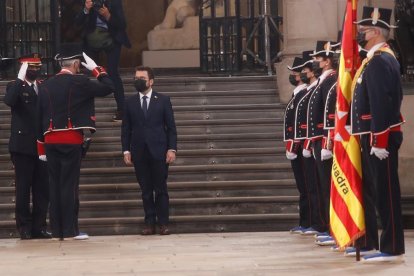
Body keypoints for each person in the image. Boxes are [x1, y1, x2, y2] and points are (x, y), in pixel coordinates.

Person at [36, 43, 115, 240]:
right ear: (76, 64)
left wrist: (40, 147)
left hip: (50, 141)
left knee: (54, 186)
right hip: (71, 139)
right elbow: (108, 87)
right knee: (69, 186)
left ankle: (56, 231)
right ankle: (70, 231)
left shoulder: (45, 85)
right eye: (80, 64)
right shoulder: (80, 82)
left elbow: (38, 117)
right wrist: (96, 69)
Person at [351, 6, 405, 263]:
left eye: (362, 31)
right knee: (376, 191)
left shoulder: (382, 60)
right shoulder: (374, 60)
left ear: (374, 32)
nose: (359, 34)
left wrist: (379, 139)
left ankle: (392, 246)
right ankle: (377, 242)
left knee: (386, 193)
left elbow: (383, 104)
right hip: (370, 137)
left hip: (379, 138)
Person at [121, 66, 177, 235]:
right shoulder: (129, 102)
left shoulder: (163, 100)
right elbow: (125, 129)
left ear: (151, 81)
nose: (138, 80)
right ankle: (149, 223)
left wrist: (171, 149)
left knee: (160, 189)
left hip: (159, 150)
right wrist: (125, 151)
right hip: (139, 152)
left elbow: (171, 128)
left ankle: (164, 223)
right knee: (145, 190)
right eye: (136, 77)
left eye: (142, 78)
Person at [3, 54, 51, 240]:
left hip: (42, 145)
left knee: (42, 189)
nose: (35, 70)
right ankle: (24, 227)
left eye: (37, 67)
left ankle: (39, 226)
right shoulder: (15, 87)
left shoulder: (43, 86)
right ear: (23, 68)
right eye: (30, 67)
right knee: (23, 189)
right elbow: (9, 101)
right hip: (22, 146)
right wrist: (19, 78)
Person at [75, 0, 131, 121]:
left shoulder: (115, 3)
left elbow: (122, 25)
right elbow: (77, 22)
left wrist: (108, 15)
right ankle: (83, 111)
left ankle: (122, 109)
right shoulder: (87, 2)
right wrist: (86, 10)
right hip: (91, 41)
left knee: (113, 73)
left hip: (112, 40)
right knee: (87, 73)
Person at [307, 41, 338, 246]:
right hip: (319, 139)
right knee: (322, 185)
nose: (315, 63)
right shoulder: (322, 81)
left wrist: (327, 143)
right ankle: (327, 226)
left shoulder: (331, 80)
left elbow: (330, 114)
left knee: (328, 185)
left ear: (327, 62)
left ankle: (332, 228)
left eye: (318, 59)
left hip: (325, 140)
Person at [294, 51, 325, 236]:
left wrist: (306, 144)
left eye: (303, 71)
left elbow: (318, 119)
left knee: (315, 187)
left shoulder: (317, 88)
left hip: (316, 142)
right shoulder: (308, 91)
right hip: (309, 143)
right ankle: (312, 222)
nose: (299, 76)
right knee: (309, 187)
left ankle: (318, 223)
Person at [284, 57, 311, 234]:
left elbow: (301, 123)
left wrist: (295, 146)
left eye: (295, 73)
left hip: (302, 146)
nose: (293, 76)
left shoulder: (304, 94)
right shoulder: (297, 94)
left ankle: (310, 222)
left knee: (308, 187)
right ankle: (306, 221)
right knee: (303, 187)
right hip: (296, 146)